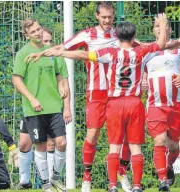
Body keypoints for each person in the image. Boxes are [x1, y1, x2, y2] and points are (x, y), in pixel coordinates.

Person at [27, 14, 180, 192]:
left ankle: (112, 185)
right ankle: (137, 186)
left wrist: (61, 52)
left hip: (115, 103)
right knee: (135, 146)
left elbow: (82, 54)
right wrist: (163, 24)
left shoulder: (111, 53)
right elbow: (162, 44)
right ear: (134, 38)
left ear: (117, 38)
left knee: (114, 146)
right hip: (134, 103)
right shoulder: (141, 52)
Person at [27, 2, 134, 191]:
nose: (108, 20)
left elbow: (140, 48)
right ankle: (86, 177)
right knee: (92, 134)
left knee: (122, 136)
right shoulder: (87, 34)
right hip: (96, 92)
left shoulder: (120, 35)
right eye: (104, 17)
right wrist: (42, 53)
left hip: (118, 93)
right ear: (97, 16)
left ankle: (122, 173)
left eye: (110, 17)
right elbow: (63, 47)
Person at [141, 18, 180, 191]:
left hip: (175, 105)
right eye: (156, 26)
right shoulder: (147, 50)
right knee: (159, 141)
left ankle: (169, 165)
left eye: (163, 26)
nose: (160, 29)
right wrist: (143, 81)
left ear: (170, 30)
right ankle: (163, 182)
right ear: (153, 31)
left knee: (173, 146)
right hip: (155, 105)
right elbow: (140, 71)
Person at [12, 18, 68, 192]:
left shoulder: (50, 52)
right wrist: (32, 98)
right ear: (26, 34)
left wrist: (60, 85)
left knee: (62, 142)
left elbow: (59, 74)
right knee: (40, 145)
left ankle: (56, 177)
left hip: (54, 106)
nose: (37, 33)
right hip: (34, 109)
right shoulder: (23, 53)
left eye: (39, 29)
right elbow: (16, 79)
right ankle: (45, 184)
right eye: (33, 31)